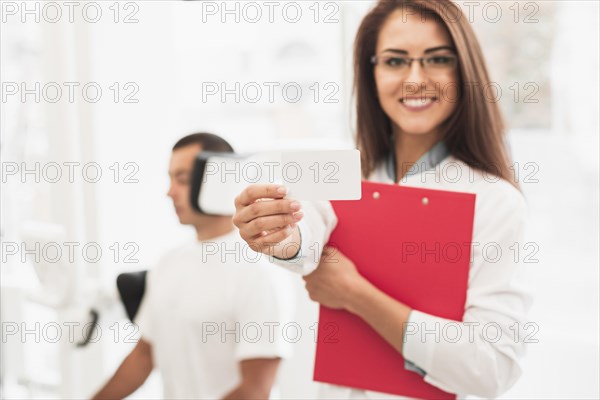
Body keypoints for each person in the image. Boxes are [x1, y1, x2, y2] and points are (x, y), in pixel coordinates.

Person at [232, 1, 532, 398]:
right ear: (371, 72)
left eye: (437, 59)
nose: (414, 79)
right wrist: (274, 231)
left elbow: (491, 369)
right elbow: (304, 238)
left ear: (463, 71)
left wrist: (356, 295)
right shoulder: (346, 174)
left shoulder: (495, 201)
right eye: (395, 61)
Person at [93, 133, 295, 400]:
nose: (170, 191)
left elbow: (255, 391)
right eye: (170, 178)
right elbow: (144, 355)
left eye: (183, 179)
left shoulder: (258, 271)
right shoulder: (168, 263)